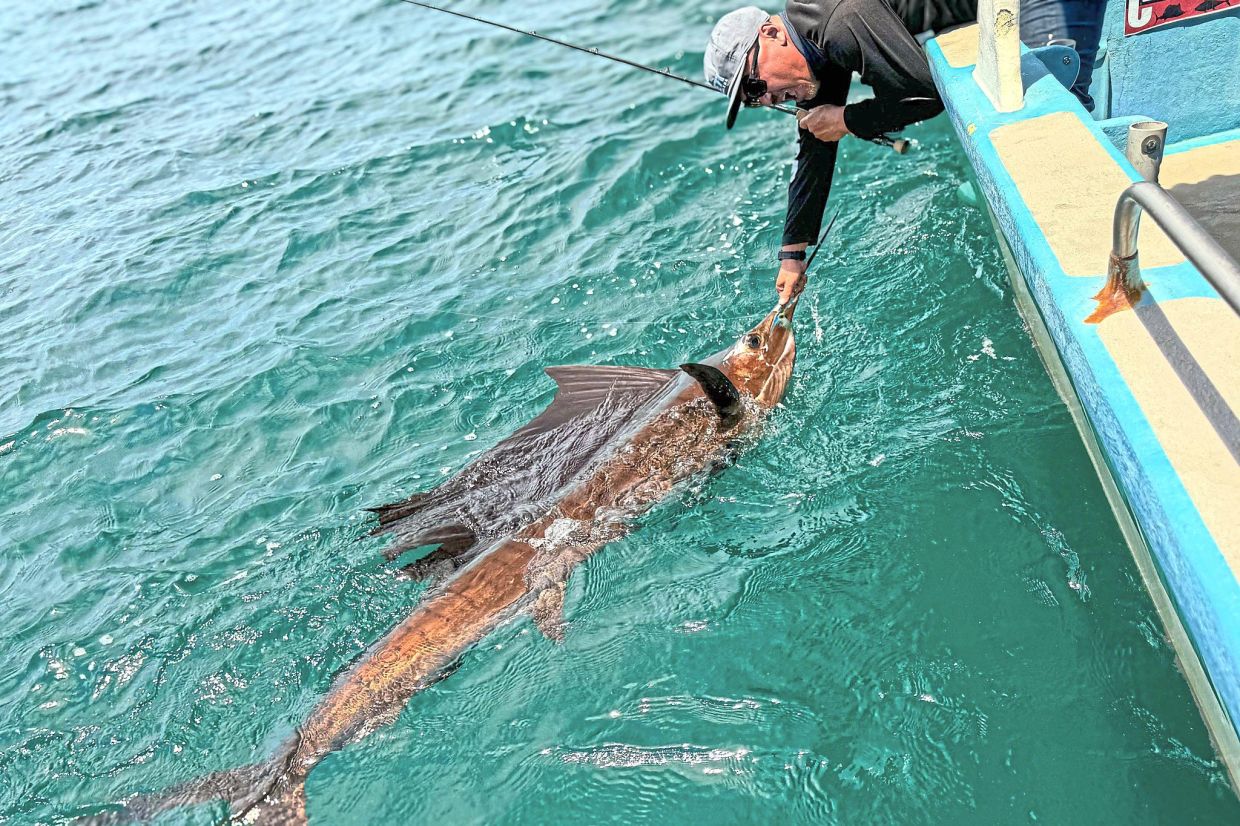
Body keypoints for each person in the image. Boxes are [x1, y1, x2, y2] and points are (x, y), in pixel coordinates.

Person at [705, 0, 1102, 305]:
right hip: (966, 12)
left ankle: (1095, 266)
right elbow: (816, 142)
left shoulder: (838, 23)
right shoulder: (810, 32)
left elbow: (927, 93)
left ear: (771, 33)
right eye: (755, 101)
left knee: (1053, 115)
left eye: (756, 87)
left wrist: (846, 119)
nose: (770, 98)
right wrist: (793, 252)